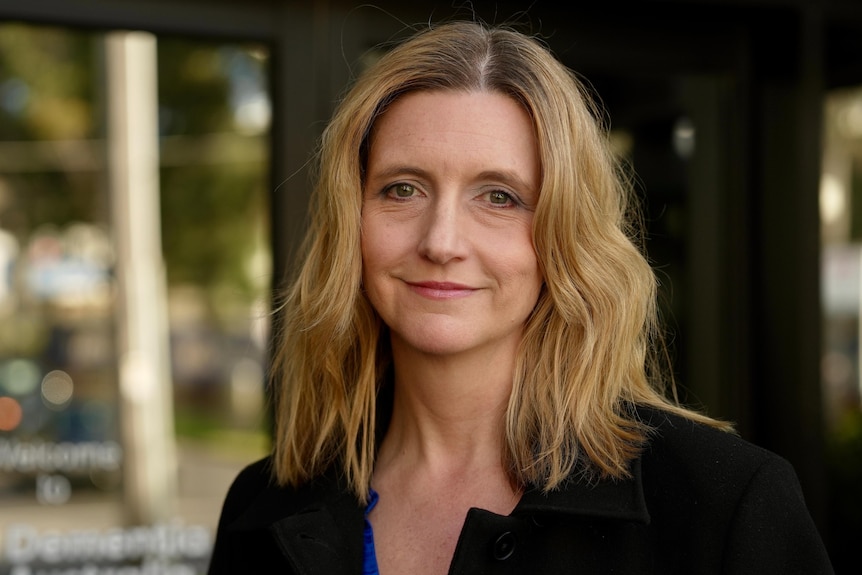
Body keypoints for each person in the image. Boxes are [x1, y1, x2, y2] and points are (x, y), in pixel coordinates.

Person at [207, 20, 834, 574]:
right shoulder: (262, 508)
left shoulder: (725, 504)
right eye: (402, 189)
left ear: (563, 237)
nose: (442, 241)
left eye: (499, 196)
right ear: (351, 220)